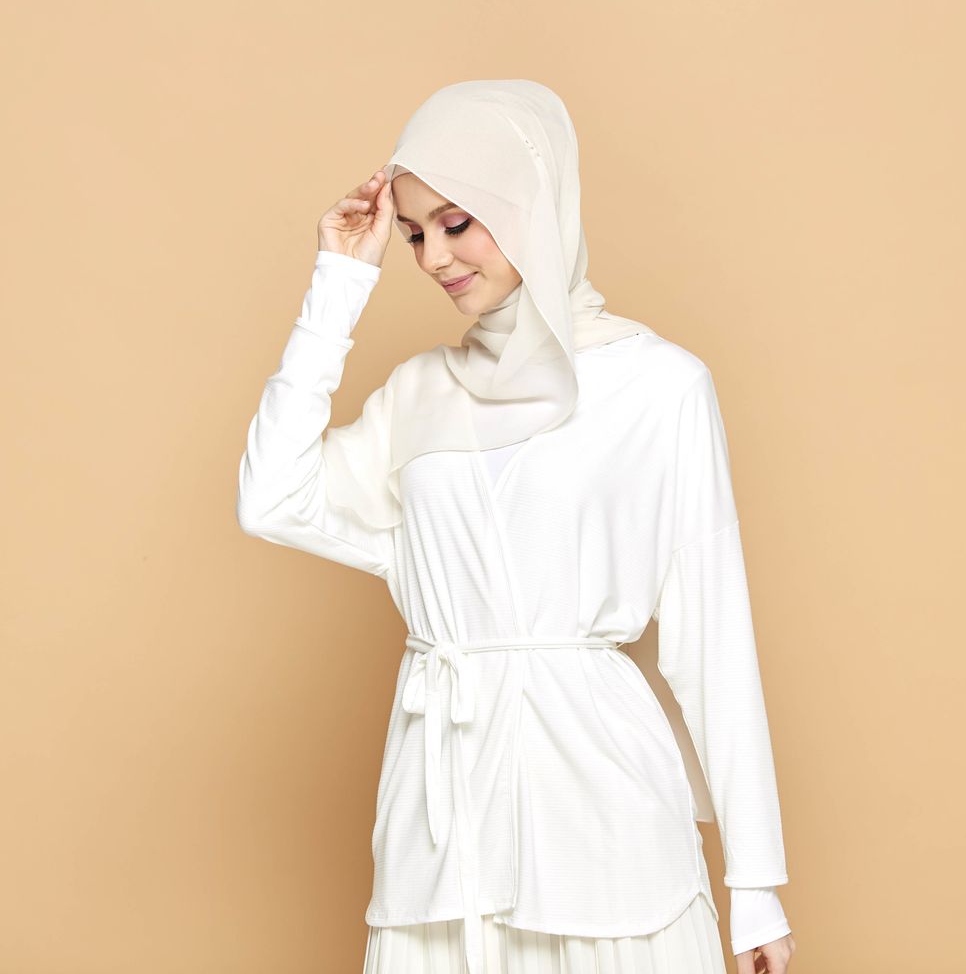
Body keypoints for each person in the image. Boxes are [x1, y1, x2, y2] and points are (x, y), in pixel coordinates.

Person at [237, 80, 797, 974]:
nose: (432, 257)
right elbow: (270, 498)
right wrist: (338, 283)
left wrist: (756, 884)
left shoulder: (659, 387)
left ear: (531, 202)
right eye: (413, 233)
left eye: (457, 222)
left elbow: (713, 643)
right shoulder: (420, 393)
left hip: (605, 819)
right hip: (441, 825)